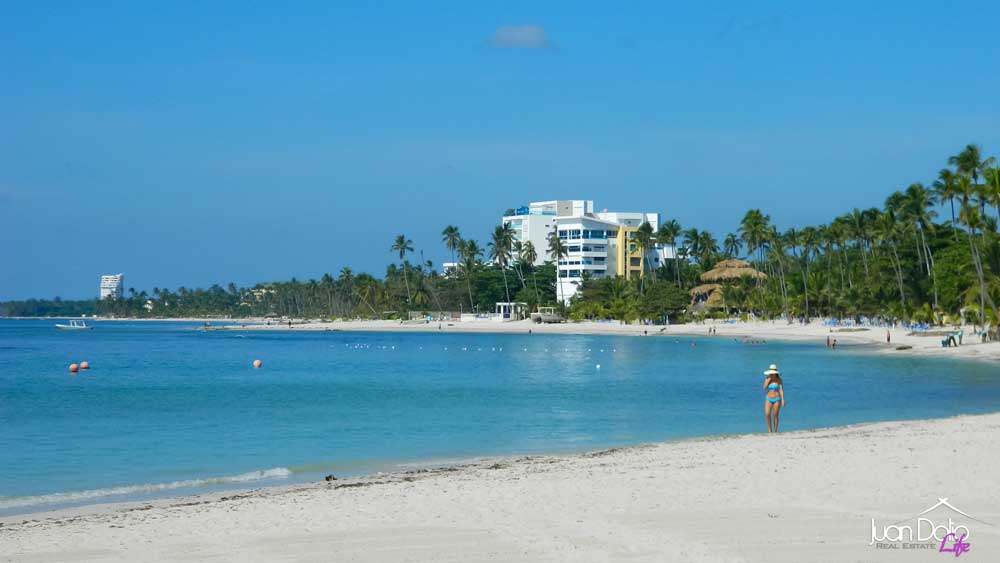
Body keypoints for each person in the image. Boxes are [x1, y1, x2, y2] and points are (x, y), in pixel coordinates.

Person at [762, 364, 785, 433]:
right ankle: (769, 430)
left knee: (775, 415)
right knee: (767, 414)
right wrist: (768, 381)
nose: (771, 374)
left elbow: (781, 390)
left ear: (775, 373)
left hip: (777, 399)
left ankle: (775, 430)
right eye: (770, 373)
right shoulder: (767, 379)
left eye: (772, 373)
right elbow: (764, 388)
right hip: (768, 398)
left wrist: (783, 400)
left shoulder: (779, 380)